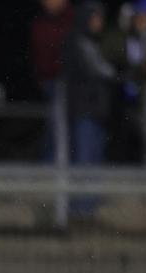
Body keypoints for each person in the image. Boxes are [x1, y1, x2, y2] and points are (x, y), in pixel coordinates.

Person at [101, 0, 146, 163]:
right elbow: (114, 58)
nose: (144, 21)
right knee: (118, 139)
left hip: (140, 98)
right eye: (141, 17)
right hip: (117, 96)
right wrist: (144, 68)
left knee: (141, 140)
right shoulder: (117, 34)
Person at [62, 1, 116, 167]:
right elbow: (100, 72)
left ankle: (91, 194)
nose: (99, 23)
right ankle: (82, 194)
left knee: (94, 161)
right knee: (84, 160)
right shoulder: (77, 41)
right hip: (83, 111)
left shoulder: (93, 42)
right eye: (95, 18)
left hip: (95, 111)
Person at [30, 0, 74, 162]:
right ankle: (51, 169)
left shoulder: (74, 21)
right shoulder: (41, 23)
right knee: (54, 128)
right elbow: (39, 56)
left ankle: (59, 170)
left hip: (69, 83)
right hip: (49, 82)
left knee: (63, 130)